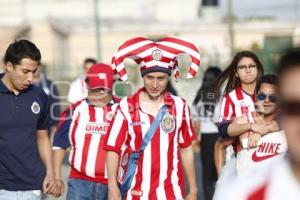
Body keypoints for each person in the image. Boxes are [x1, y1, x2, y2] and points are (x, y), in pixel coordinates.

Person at [104, 36, 200, 200]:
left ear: (168, 78)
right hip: (136, 193)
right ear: (143, 76)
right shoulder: (126, 106)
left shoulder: (180, 106)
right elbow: (113, 149)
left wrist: (192, 189)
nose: (155, 84)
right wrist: (112, 186)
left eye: (161, 78)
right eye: (150, 77)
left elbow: (185, 149)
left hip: (172, 193)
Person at [213, 48, 300, 200]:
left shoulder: (272, 89)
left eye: (252, 66)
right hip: (243, 160)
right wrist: (251, 127)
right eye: (292, 108)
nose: (248, 71)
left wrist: (262, 131)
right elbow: (223, 132)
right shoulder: (232, 99)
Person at [52, 63, 119, 199]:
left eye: (104, 89)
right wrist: (57, 178)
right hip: (79, 183)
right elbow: (60, 144)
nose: (100, 94)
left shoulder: (123, 111)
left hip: (112, 185)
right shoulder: (74, 110)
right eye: (95, 89)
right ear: (87, 84)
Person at [0, 40, 56, 199]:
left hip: (33, 186)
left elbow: (42, 137)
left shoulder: (39, 96)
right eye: (25, 71)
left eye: (34, 71)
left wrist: (51, 173)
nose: (30, 78)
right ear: (9, 66)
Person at [191, 66, 222, 200]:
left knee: (206, 175)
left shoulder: (199, 96)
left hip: (205, 137)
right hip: (218, 136)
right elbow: (219, 119)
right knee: (219, 172)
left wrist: (195, 138)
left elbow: (195, 120)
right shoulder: (219, 96)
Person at [33, 63, 61, 136]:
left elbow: (56, 104)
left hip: (47, 124)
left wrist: (55, 123)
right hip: (31, 124)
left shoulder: (49, 84)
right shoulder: (25, 84)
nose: (35, 68)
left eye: (37, 65)